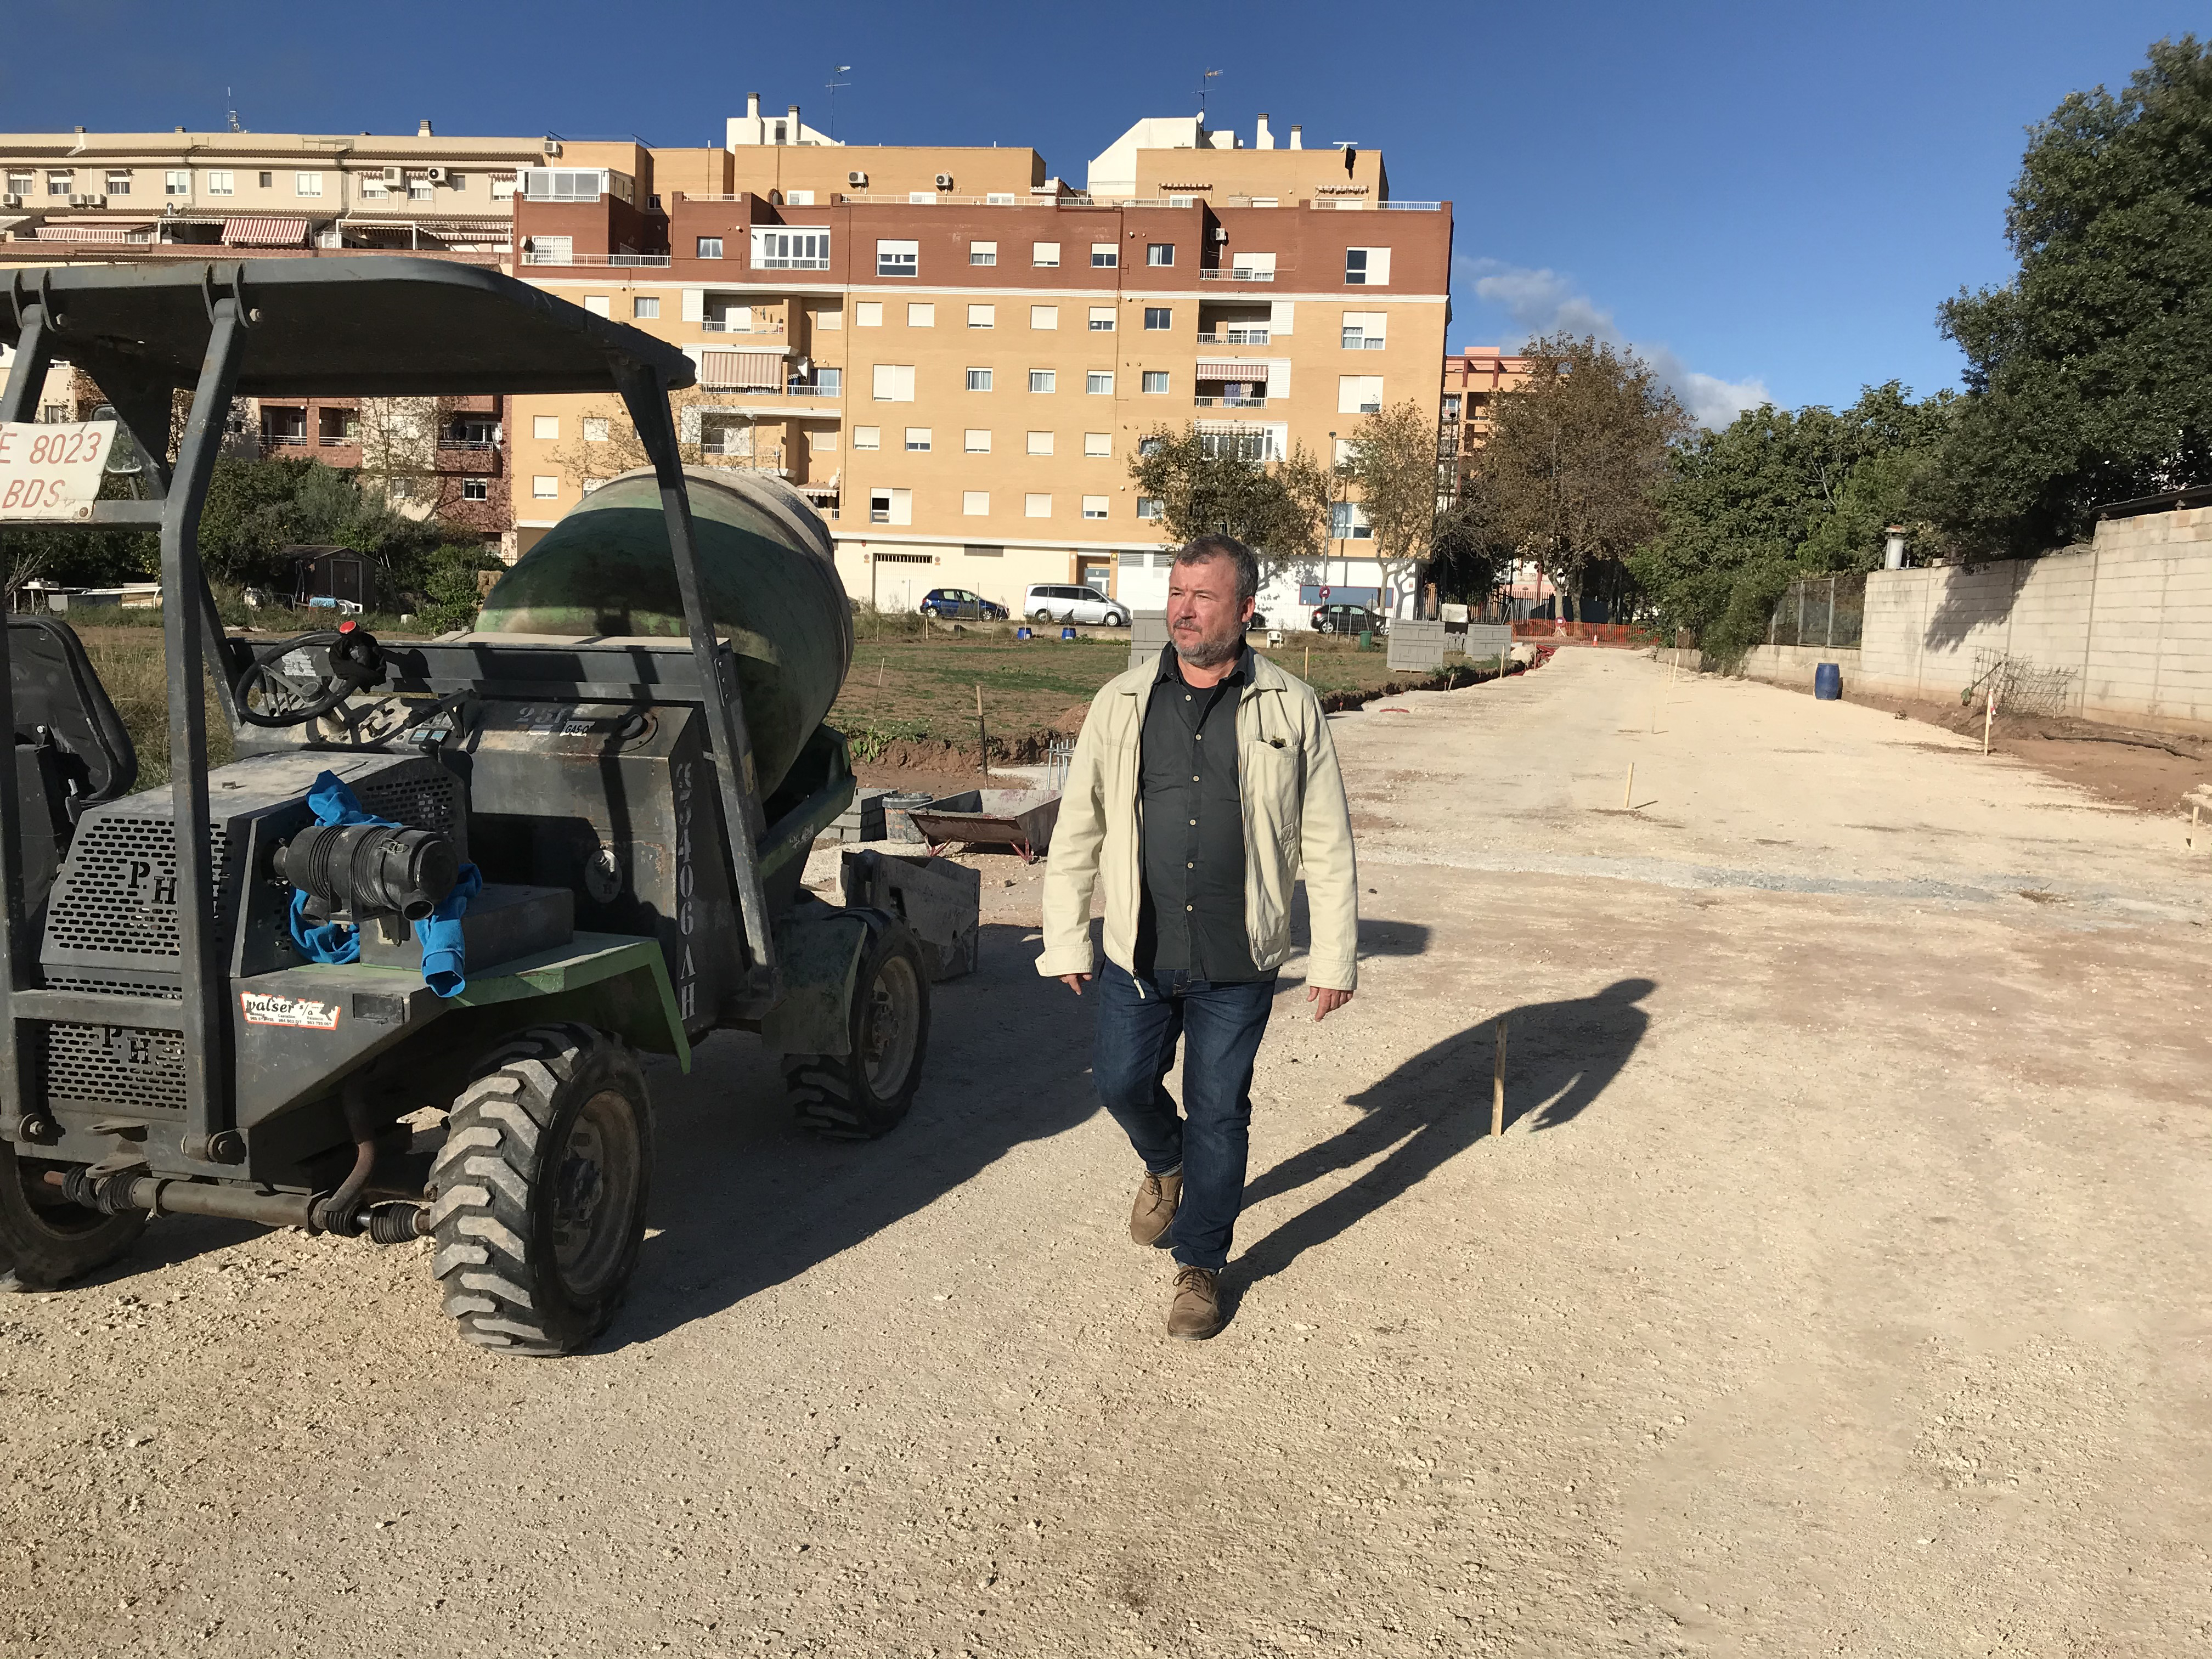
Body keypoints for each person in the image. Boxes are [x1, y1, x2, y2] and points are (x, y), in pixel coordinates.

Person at [1038, 534, 1358, 1339]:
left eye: (1203, 596)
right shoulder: (1121, 702)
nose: (1183, 608)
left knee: (1222, 1110)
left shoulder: (1291, 705)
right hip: (1138, 952)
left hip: (1239, 955)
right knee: (1118, 1083)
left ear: (1245, 609)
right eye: (1177, 593)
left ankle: (1201, 1266)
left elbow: (1325, 838)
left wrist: (1334, 956)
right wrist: (1067, 936)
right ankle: (1165, 1165)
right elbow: (1081, 826)